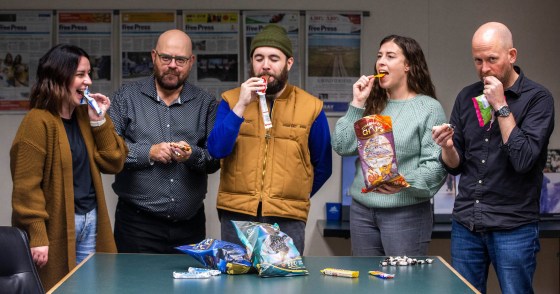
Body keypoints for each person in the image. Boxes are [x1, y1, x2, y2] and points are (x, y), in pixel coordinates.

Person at [432, 22, 555, 294]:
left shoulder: (538, 99)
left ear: (511, 55)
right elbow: (456, 167)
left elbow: (523, 159)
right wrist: (448, 147)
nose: (484, 68)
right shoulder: (467, 96)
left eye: (492, 59)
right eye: (478, 60)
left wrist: (500, 104)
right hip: (467, 222)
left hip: (514, 226)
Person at [10, 44, 127, 290]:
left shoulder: (86, 116)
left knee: (92, 288)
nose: (88, 81)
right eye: (81, 75)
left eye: (89, 74)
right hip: (58, 225)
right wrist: (37, 235)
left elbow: (115, 160)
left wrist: (100, 122)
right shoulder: (37, 121)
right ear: (59, 77)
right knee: (60, 287)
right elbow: (26, 187)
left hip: (91, 221)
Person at [207, 24, 332, 254]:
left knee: (284, 286)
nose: (265, 65)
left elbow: (323, 165)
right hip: (237, 214)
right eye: (259, 58)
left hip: (287, 218)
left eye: (274, 58)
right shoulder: (230, 99)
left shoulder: (311, 107)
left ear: (289, 63)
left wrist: (291, 196)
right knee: (236, 285)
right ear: (252, 62)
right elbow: (216, 150)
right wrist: (242, 104)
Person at [331, 35, 447, 256]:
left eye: (390, 56)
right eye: (379, 56)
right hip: (362, 212)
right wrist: (357, 103)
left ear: (408, 66)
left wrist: (402, 182)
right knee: (366, 286)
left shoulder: (428, 108)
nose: (381, 62)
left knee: (404, 285)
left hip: (406, 213)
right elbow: (342, 145)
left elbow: (435, 167)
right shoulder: (371, 104)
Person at [108, 29, 220, 253]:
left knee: (189, 288)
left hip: (190, 226)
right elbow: (109, 151)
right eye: (166, 58)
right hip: (137, 226)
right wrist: (149, 152)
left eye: (180, 60)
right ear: (153, 56)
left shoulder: (206, 103)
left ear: (191, 62)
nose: (172, 65)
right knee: (134, 287)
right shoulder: (125, 98)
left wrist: (192, 156)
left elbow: (214, 160)